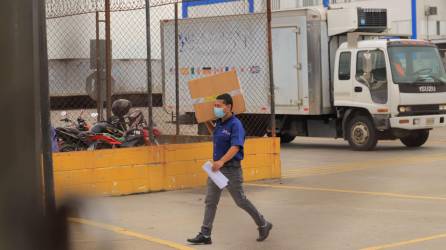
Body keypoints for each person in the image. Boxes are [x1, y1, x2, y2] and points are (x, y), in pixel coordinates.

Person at [187, 93, 272, 245]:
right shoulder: (219, 122)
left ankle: (263, 224)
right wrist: (207, 123)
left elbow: (236, 146)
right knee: (210, 201)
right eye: (215, 105)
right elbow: (217, 134)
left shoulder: (236, 124)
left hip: (231, 169)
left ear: (229, 107)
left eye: (219, 106)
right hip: (217, 169)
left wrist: (221, 161)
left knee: (240, 201)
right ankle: (205, 234)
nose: (216, 108)